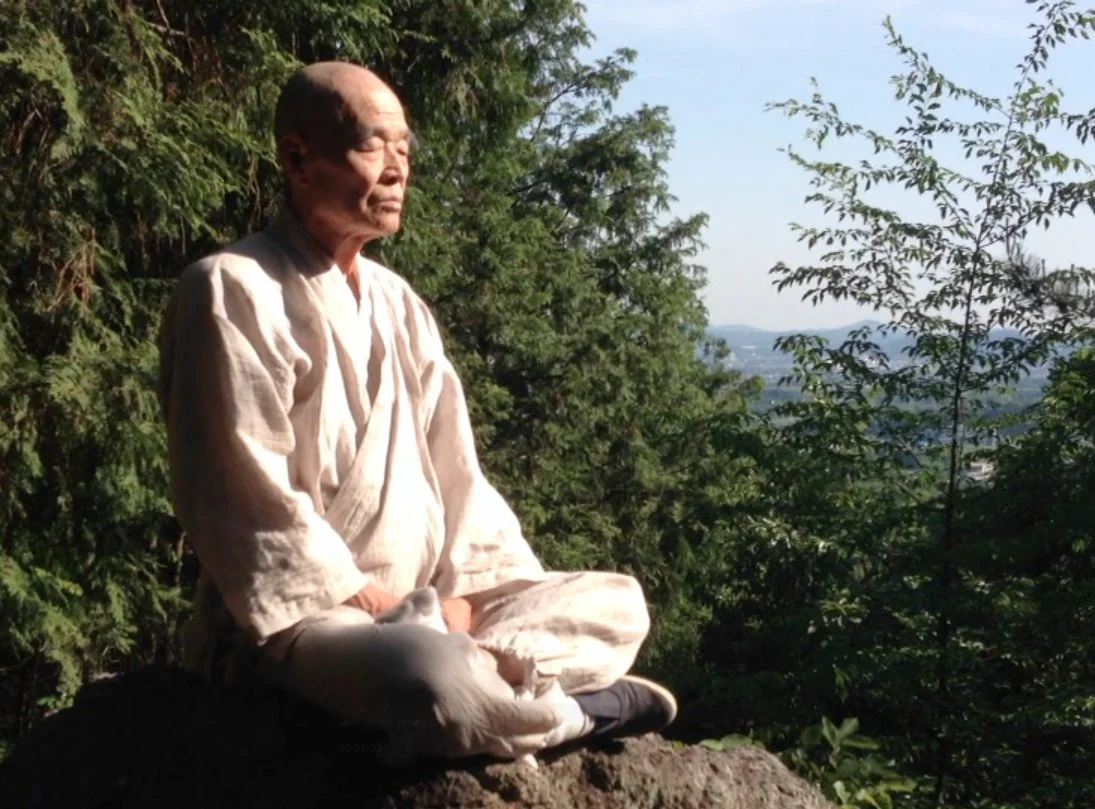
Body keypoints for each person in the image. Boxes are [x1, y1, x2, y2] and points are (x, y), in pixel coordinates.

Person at [157, 60, 676, 764]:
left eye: (405, 150)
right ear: (297, 158)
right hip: (303, 624)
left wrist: (461, 603)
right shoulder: (230, 288)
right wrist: (377, 605)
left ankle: (505, 697)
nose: (398, 169)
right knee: (427, 677)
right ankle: (568, 710)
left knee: (618, 600)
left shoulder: (399, 304)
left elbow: (459, 478)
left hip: (431, 610)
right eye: (375, 146)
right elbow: (243, 496)